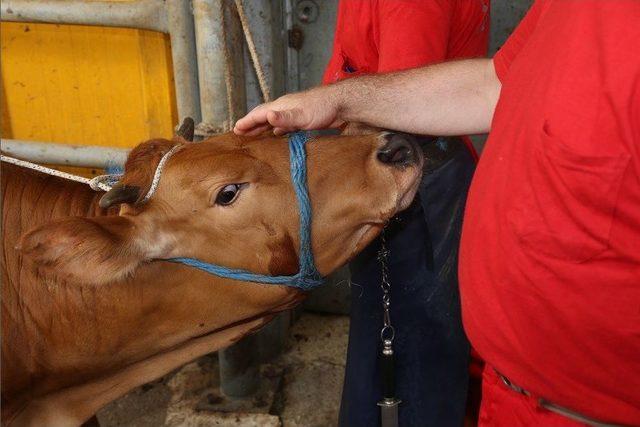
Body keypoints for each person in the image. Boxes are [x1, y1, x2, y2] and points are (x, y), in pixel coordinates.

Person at [235, 1, 640, 426]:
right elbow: (495, 83)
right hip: (513, 392)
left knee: (408, 356)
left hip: (580, 412)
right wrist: (339, 101)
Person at [320, 1, 489, 426]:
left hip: (408, 176)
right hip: (390, 164)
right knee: (383, 341)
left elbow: (400, 107)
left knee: (408, 354)